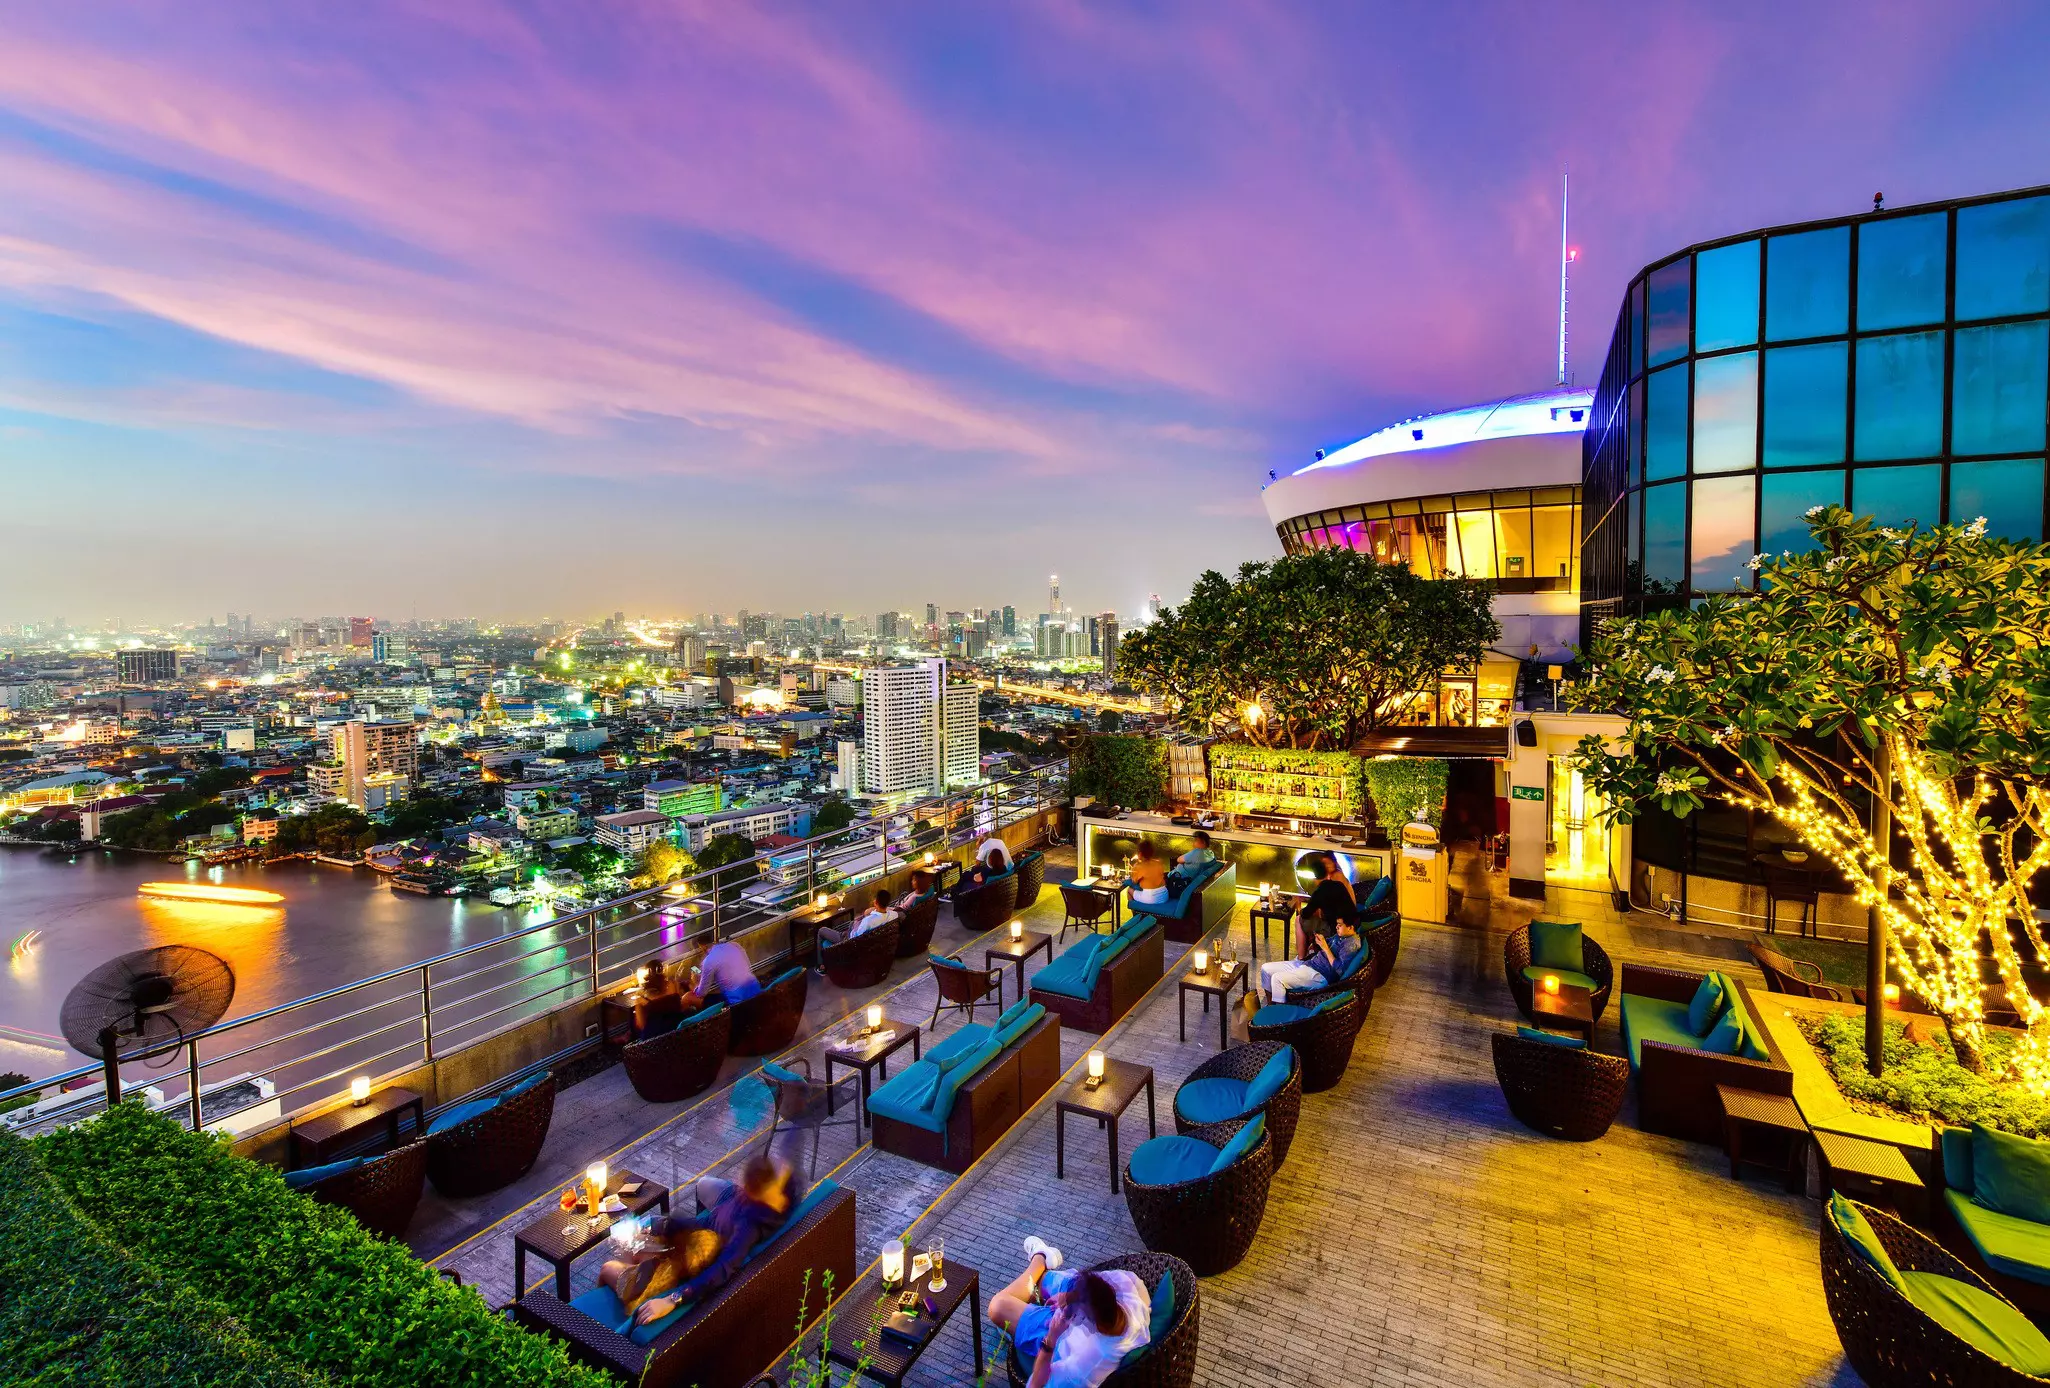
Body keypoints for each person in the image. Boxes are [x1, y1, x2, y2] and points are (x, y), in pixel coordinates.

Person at [598, 1146, 806, 1329]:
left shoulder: (746, 1227)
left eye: (746, 1186)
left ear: (754, 1193)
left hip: (713, 1224)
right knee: (703, 1183)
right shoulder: (783, 1190)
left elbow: (723, 1268)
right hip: (726, 1201)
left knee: (627, 1249)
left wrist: (673, 1299)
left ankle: (604, 1308)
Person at [988, 1236, 1151, 1388]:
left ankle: (1040, 1257)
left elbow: (1034, 1385)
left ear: (1087, 1322)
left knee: (997, 1306)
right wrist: (1069, 1296)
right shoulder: (1127, 1291)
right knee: (1043, 1281)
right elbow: (1132, 1283)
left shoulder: (1084, 1363)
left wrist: (1050, 1339)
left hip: (1058, 1336)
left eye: (1073, 1313)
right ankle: (1033, 1289)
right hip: (1083, 1304)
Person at [1259, 911, 1363, 1005]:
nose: (1336, 927)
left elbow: (1340, 969)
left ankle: (1280, 1019)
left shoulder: (1351, 944)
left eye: (1340, 925)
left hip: (1320, 975)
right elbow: (1331, 944)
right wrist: (1321, 940)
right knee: (1266, 969)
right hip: (1310, 964)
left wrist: (1325, 948)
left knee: (1277, 979)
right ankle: (1271, 1006)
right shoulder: (1342, 935)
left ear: (1350, 927)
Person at [1293, 855, 1358, 959]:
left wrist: (1298, 907)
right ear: (1327, 874)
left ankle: (1301, 958)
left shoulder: (1319, 893)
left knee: (1298, 920)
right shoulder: (1338, 885)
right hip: (1353, 924)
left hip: (1335, 930)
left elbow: (1306, 914)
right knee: (1316, 919)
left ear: (1314, 877)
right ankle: (1311, 949)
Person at [814, 888, 897, 970]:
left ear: (875, 902)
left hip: (848, 940)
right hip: (872, 943)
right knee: (851, 923)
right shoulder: (893, 915)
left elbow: (855, 938)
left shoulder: (868, 921)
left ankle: (820, 965)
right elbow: (893, 911)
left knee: (822, 930)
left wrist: (855, 925)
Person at [682, 938, 761, 1008]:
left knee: (687, 997)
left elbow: (701, 993)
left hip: (737, 1002)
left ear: (702, 946)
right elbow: (747, 966)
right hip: (756, 989)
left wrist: (695, 983)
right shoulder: (734, 945)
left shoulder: (708, 960)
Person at [1124, 841, 1170, 907]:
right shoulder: (1159, 863)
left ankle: (1136, 915)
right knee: (1139, 888)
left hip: (1151, 898)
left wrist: (1135, 867)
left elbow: (1134, 881)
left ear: (1140, 854)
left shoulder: (1138, 866)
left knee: (1129, 890)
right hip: (1164, 895)